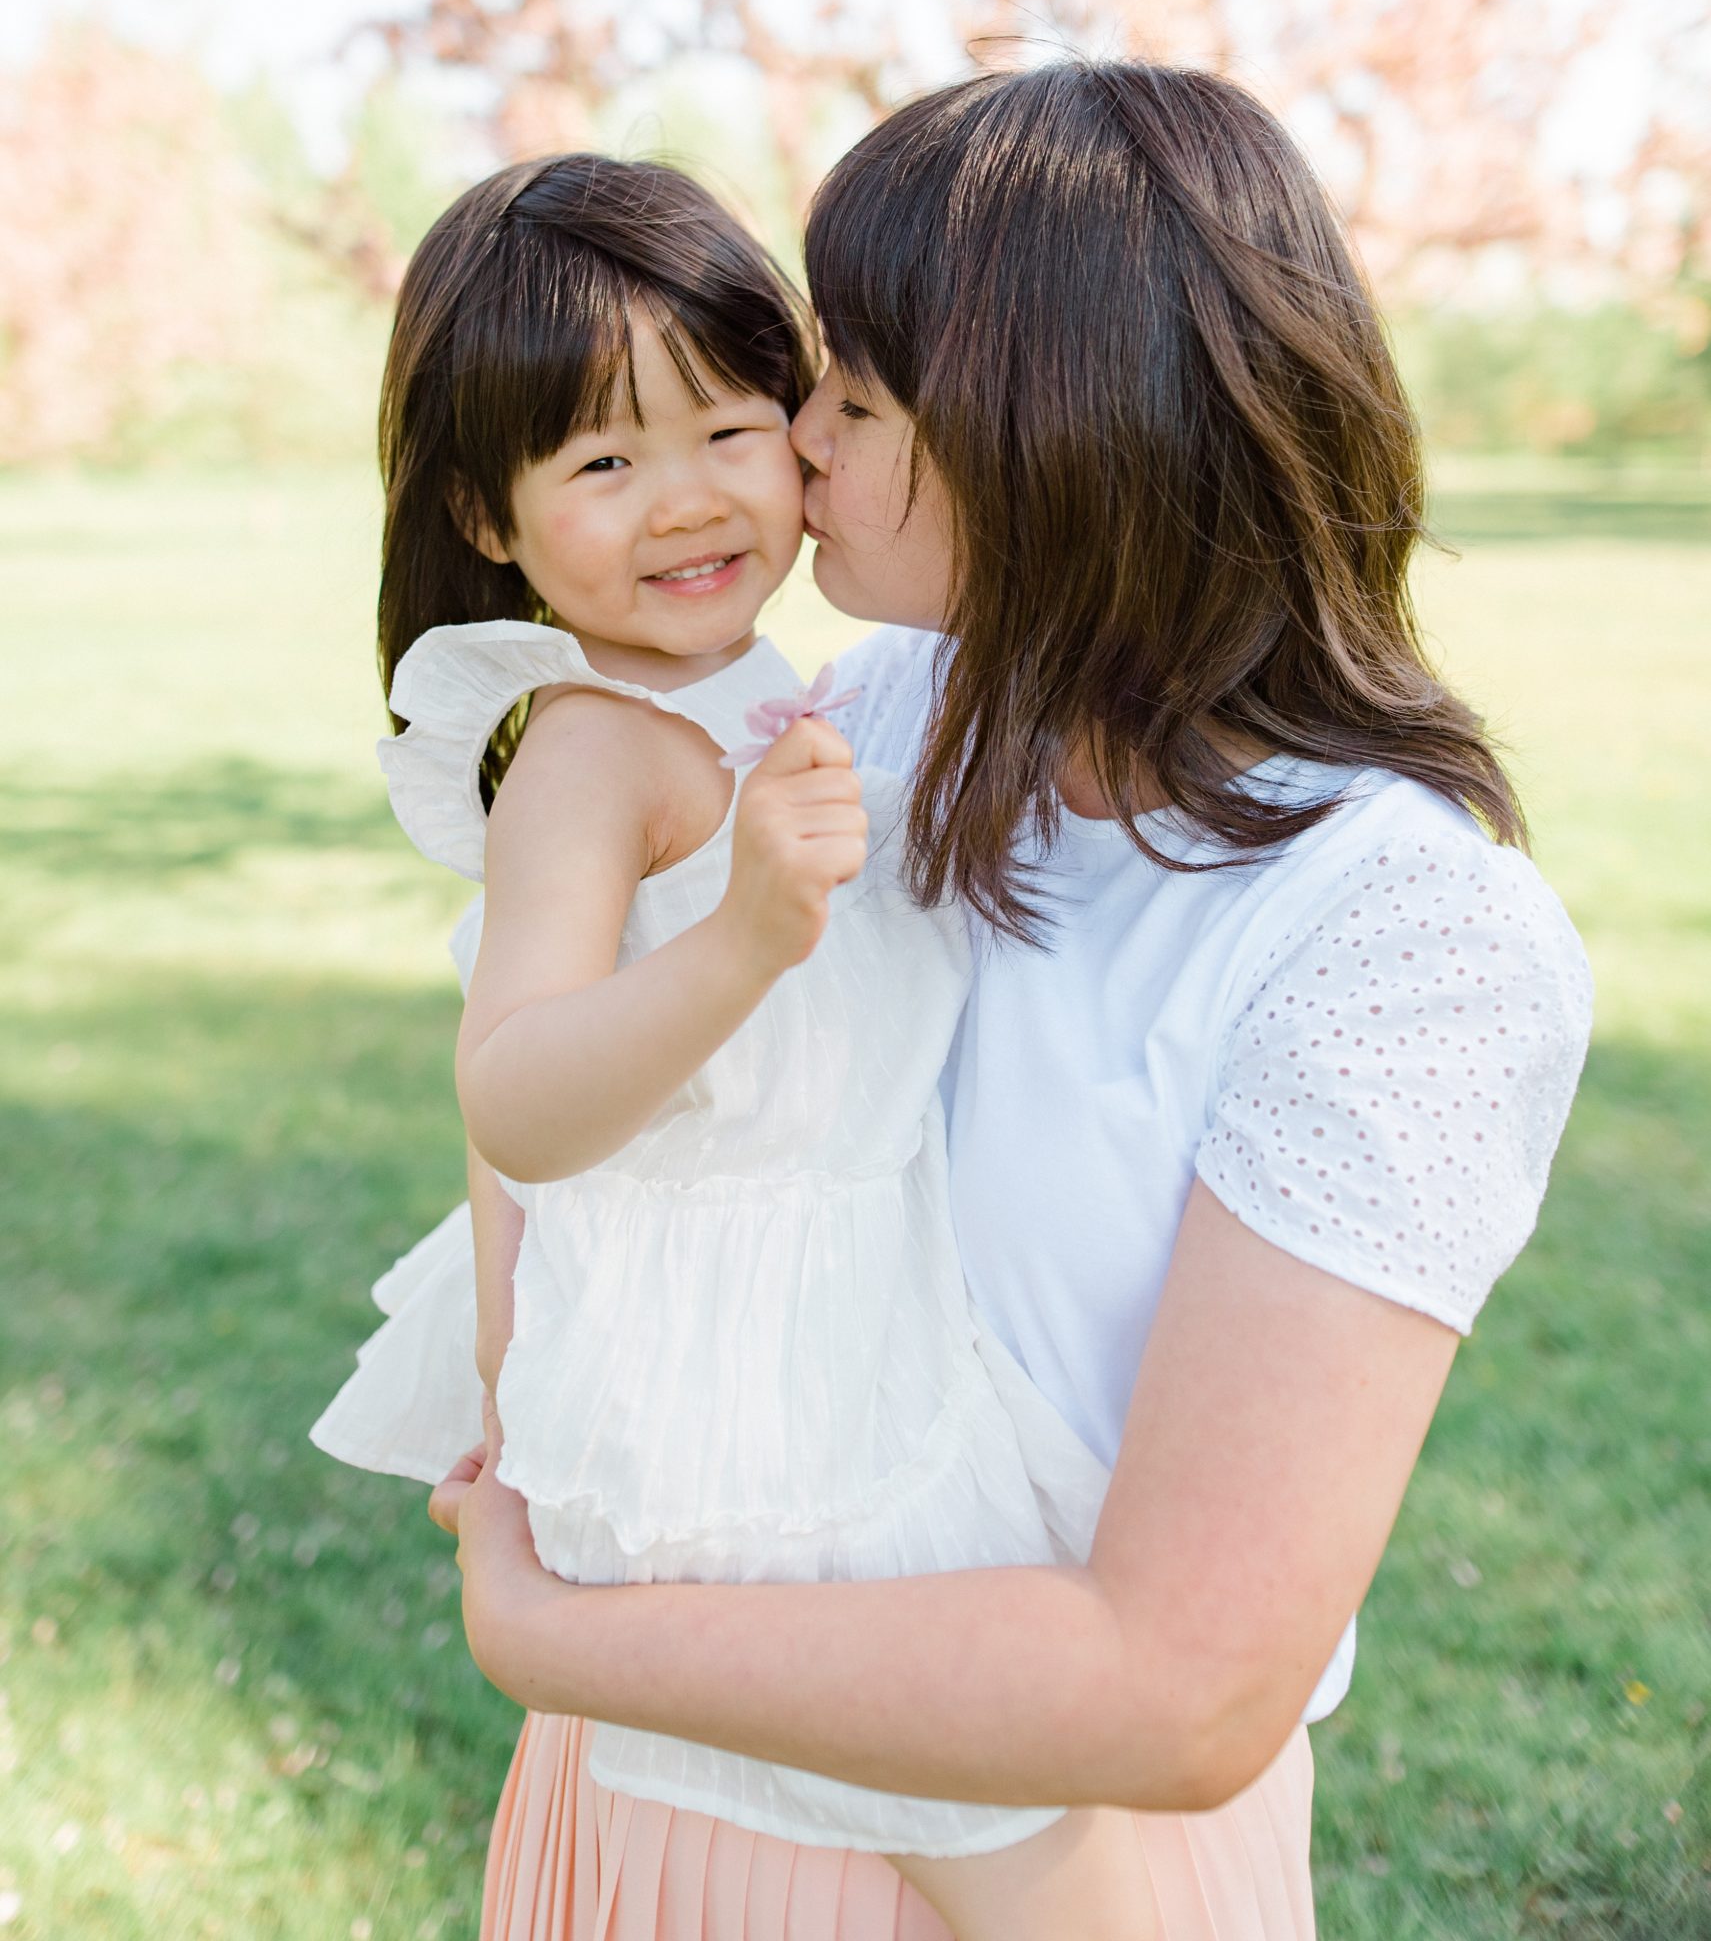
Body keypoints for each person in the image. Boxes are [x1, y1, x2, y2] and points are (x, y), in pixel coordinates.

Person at [428, 62, 1594, 1941]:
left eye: (853, 398)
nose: (792, 443)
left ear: (1054, 440)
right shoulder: (868, 724)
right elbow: (554, 1097)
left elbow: (1179, 1683)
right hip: (666, 1799)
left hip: (1038, 1848)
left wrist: (563, 1631)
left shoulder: (1397, 937)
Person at [312, 149, 1177, 1938]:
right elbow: (516, 1095)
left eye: (729, 426)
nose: (690, 501)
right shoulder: (587, 753)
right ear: (490, 516)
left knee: (1032, 1826)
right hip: (746, 1403)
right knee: (1040, 1873)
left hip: (868, 1330)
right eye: (604, 463)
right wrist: (740, 943)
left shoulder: (796, 700)